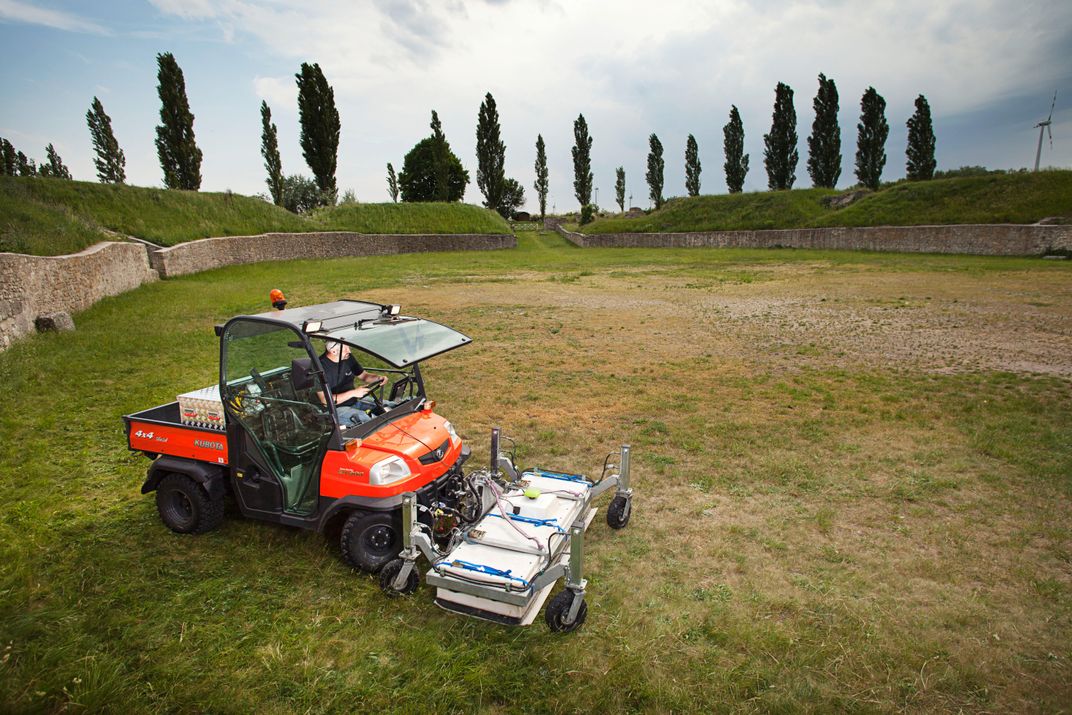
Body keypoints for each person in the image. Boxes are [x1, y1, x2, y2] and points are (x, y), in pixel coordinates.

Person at [318, 340, 386, 425]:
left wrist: (378, 378)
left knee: (386, 407)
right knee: (369, 421)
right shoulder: (319, 368)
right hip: (334, 410)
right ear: (333, 351)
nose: (349, 351)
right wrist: (353, 393)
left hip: (354, 402)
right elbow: (324, 401)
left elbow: (364, 376)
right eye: (346, 349)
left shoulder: (347, 357)